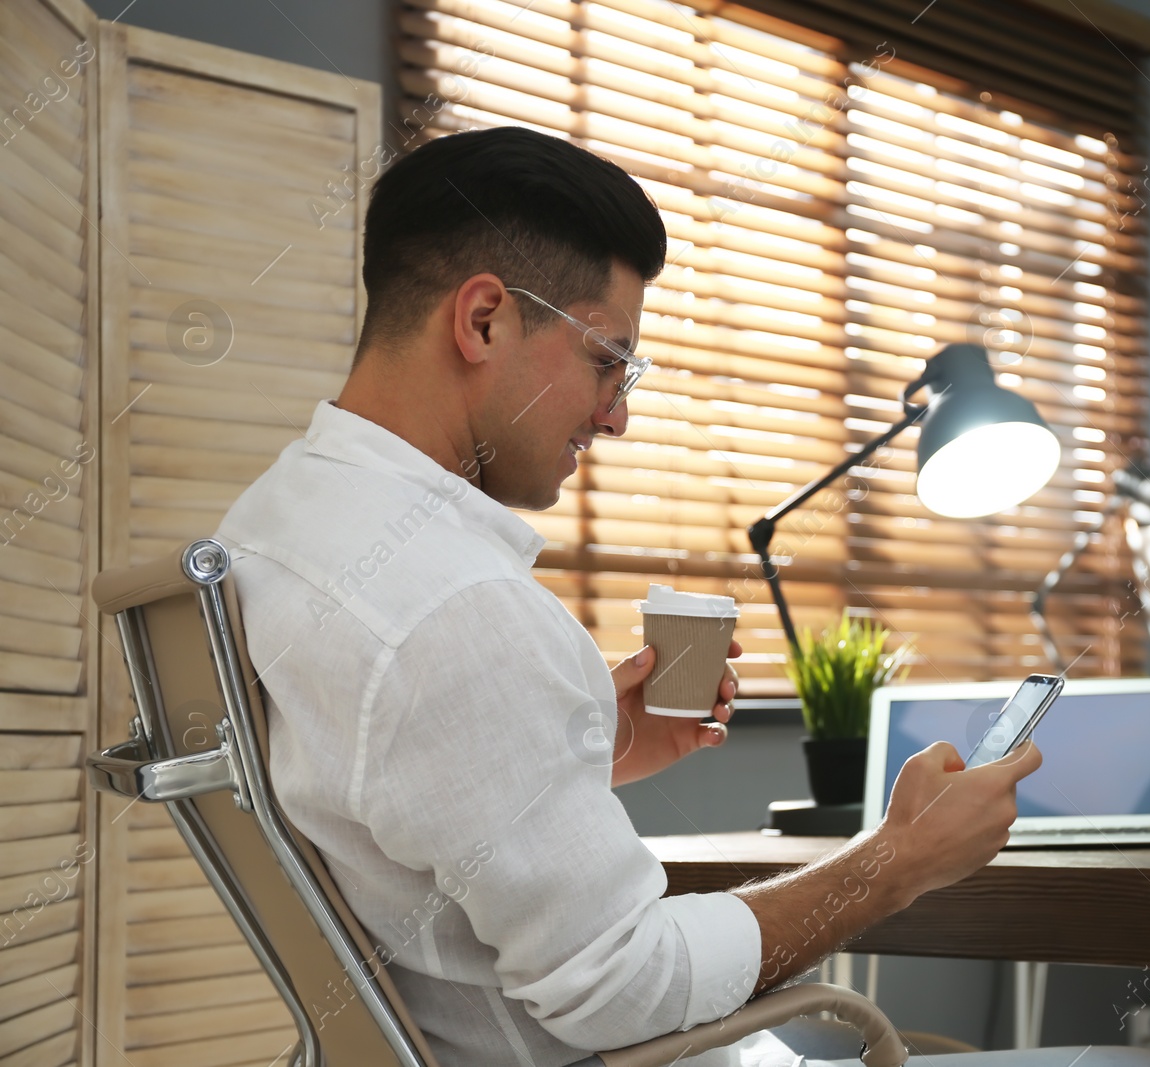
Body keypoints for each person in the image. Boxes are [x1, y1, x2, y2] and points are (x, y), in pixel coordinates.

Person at [216, 126, 1042, 1067]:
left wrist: (575, 739)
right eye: (608, 360)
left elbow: (381, 796)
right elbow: (622, 984)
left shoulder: (276, 525)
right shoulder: (454, 606)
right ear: (483, 319)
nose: (617, 414)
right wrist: (897, 861)